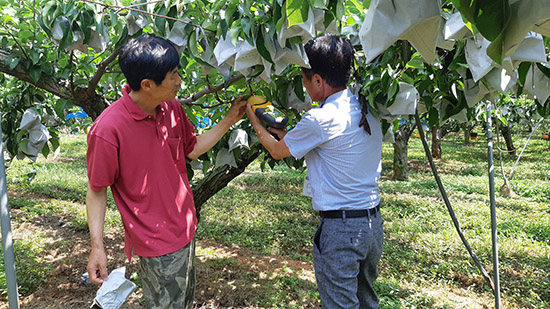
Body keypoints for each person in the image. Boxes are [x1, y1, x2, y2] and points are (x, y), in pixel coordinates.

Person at [86, 33, 246, 308]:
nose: (179, 81)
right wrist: (97, 246)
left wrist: (230, 118)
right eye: (172, 75)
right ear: (147, 84)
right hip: (155, 243)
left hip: (185, 229)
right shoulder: (108, 130)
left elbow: (192, 149)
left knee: (183, 302)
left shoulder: (171, 109)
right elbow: (97, 189)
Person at [246, 34, 384, 308]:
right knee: (366, 300)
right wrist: (288, 133)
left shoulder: (319, 119)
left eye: (305, 79)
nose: (304, 85)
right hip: (372, 225)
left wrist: (255, 119)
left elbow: (277, 151)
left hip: (341, 229)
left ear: (318, 80)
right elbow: (329, 144)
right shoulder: (366, 108)